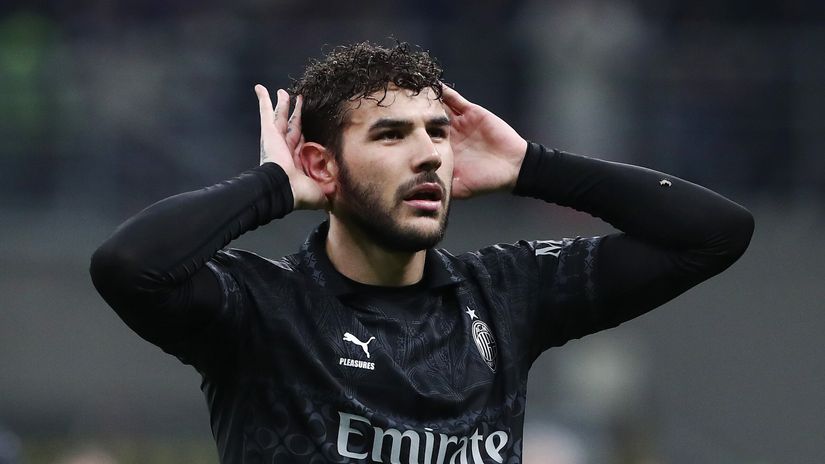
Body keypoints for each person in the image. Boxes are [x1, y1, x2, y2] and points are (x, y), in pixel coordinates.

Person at [90, 42, 754, 463]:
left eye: (436, 131)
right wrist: (273, 186)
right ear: (324, 165)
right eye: (390, 135)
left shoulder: (506, 292)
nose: (428, 153)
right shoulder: (261, 308)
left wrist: (531, 164)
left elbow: (714, 233)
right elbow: (128, 267)